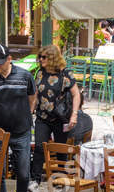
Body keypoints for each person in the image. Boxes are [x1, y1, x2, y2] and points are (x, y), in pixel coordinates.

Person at [0, 42, 35, 192]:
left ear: (9, 59)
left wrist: (26, 114)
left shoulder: (25, 76)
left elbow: (32, 98)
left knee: (24, 172)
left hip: (22, 131)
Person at [31, 44, 79, 182]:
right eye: (39, 57)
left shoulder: (65, 74)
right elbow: (36, 94)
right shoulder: (40, 72)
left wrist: (74, 114)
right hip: (42, 117)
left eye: (43, 57)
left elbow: (76, 95)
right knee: (39, 147)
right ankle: (35, 180)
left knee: (61, 150)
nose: (40, 59)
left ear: (52, 58)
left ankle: (60, 179)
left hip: (60, 118)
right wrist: (31, 110)